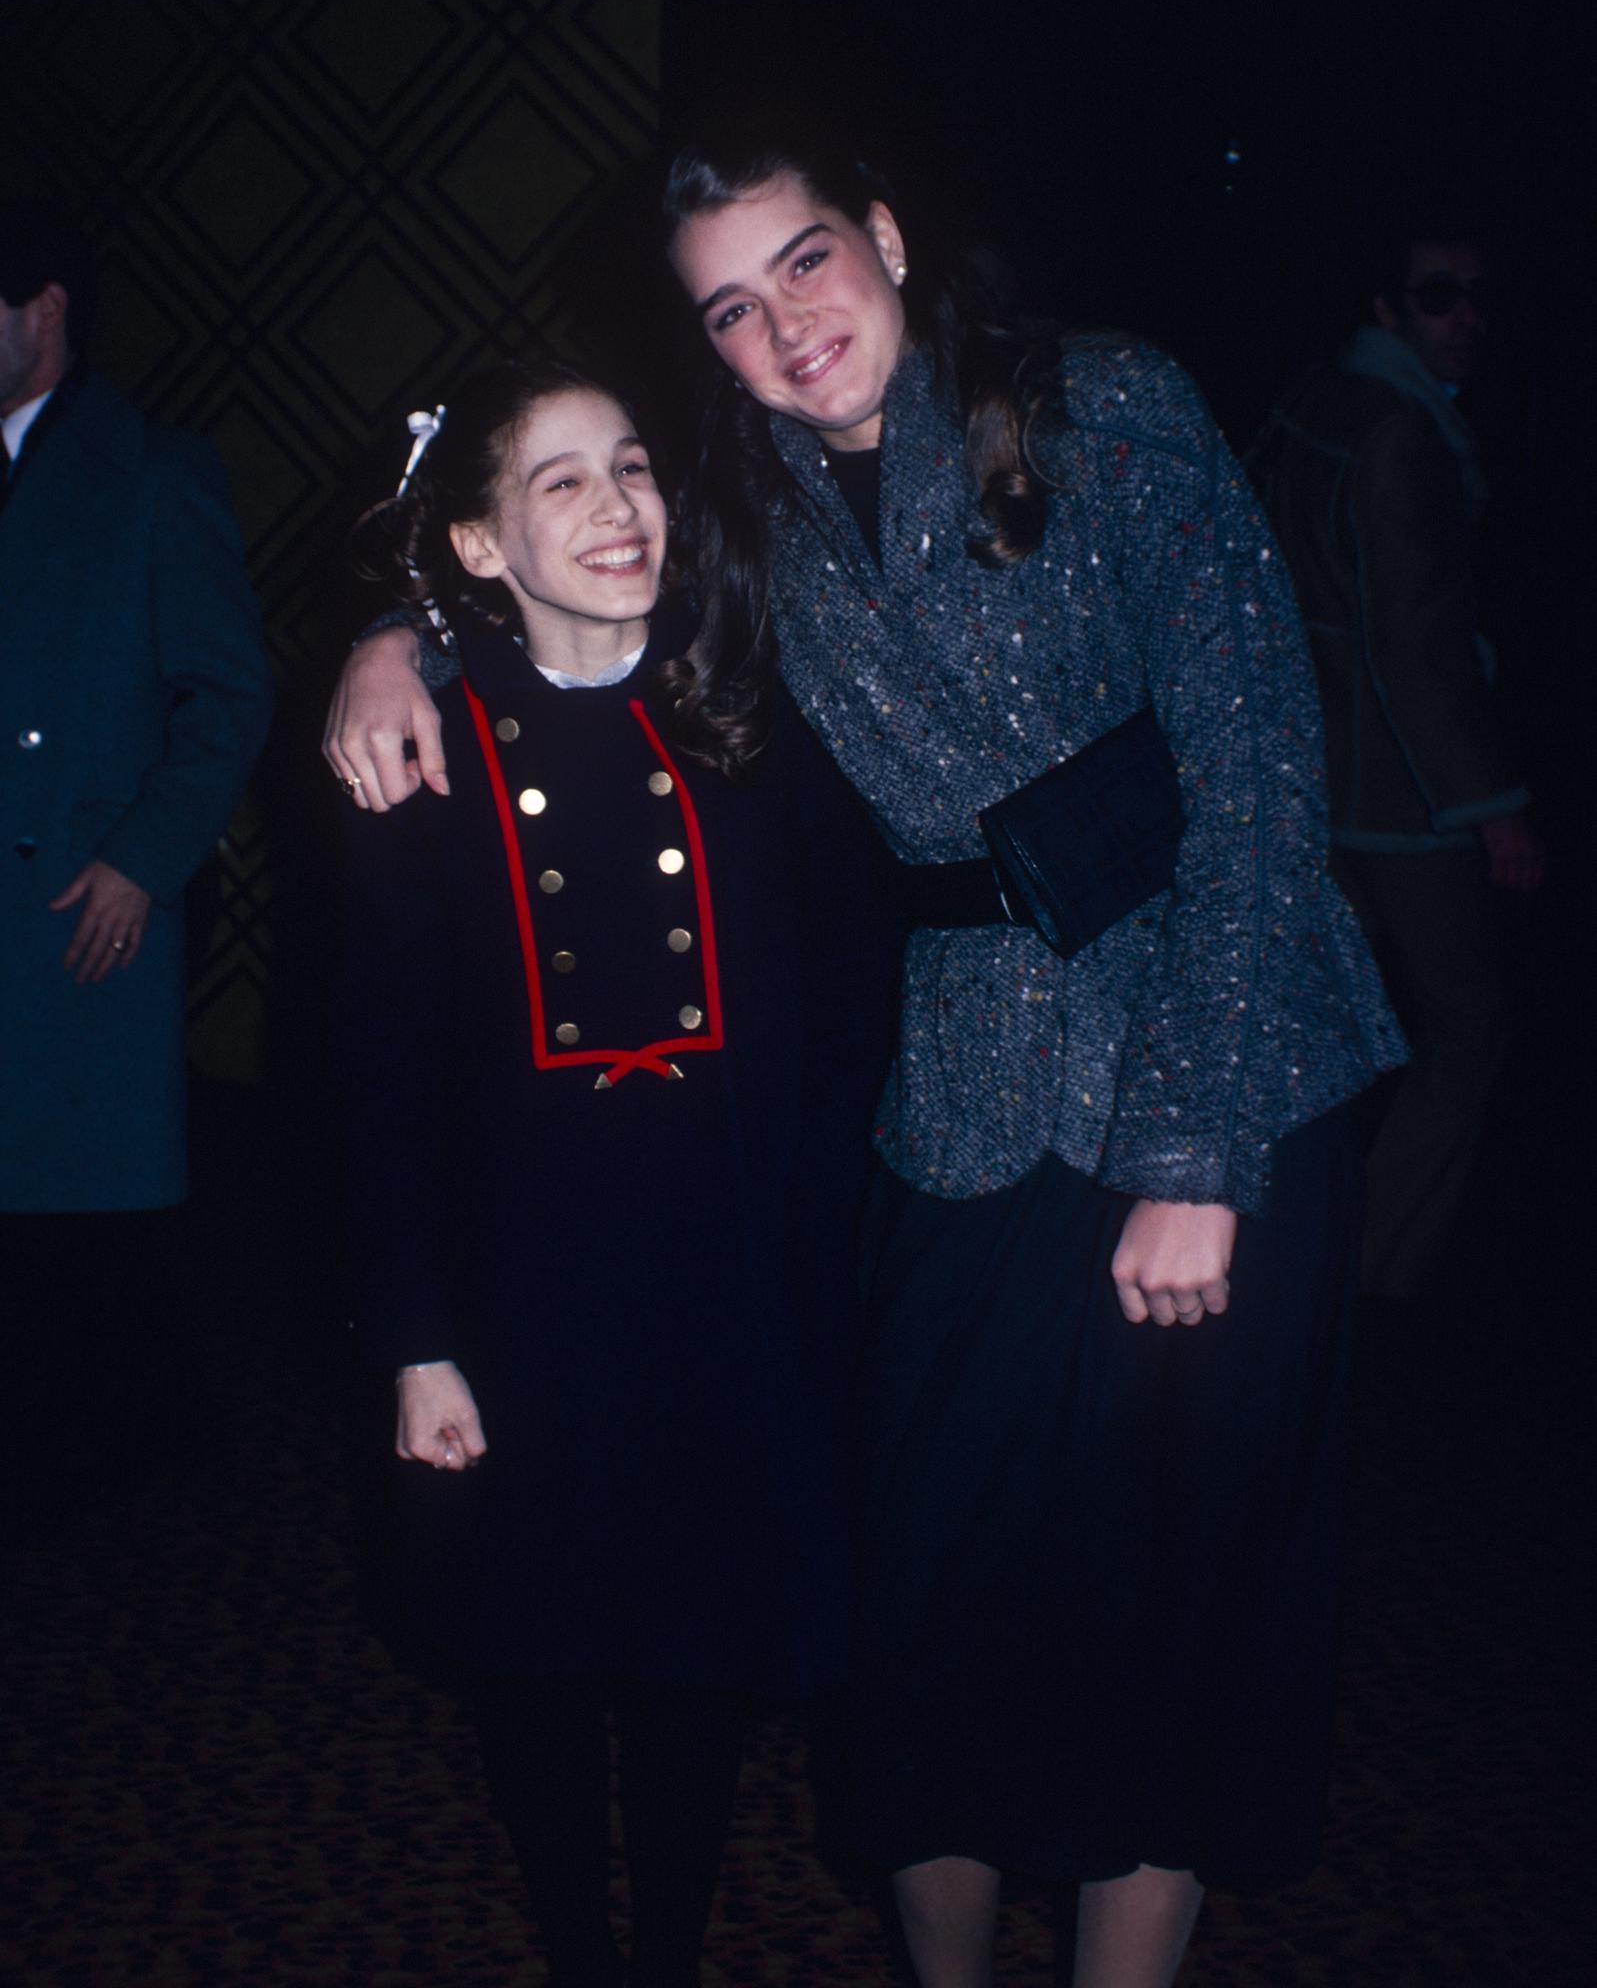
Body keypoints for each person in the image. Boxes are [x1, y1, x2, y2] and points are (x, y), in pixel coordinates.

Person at [325, 126, 1402, 1988]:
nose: (782, 326)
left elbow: (1259, 778)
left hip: (1227, 1064)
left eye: (806, 263)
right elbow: (557, 588)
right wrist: (390, 643)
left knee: (1169, 1602)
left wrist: (1195, 1156)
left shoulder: (1103, 403)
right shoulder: (741, 500)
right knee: (924, 1611)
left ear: (887, 239)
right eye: (728, 310)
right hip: (966, 1096)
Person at [335, 357, 890, 1988]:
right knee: (541, 1649)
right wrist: (413, 1339)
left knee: (694, 1649)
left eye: (630, 466)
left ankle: (664, 1956)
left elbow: (850, 1004)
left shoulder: (759, 715)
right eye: (560, 481)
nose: (615, 506)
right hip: (524, 1294)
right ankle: (584, 1950)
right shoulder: (420, 755)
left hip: (720, 1278)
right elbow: (376, 1079)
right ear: (483, 544)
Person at [0, 201, 272, 1537]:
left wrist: (142, 864)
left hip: (77, 899)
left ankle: (140, 1493)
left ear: (41, 310)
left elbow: (227, 699)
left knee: (82, 1223)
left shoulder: (157, 472)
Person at [1250, 223, 1543, 1298]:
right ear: (1384, 310)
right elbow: (1418, 646)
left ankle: (1295, 1253)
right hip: (1391, 794)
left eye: (1475, 296)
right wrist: (1491, 807)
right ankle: (1360, 1270)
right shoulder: (1397, 433)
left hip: (1300, 772)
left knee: (1330, 1035)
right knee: (1463, 1034)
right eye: (1435, 297)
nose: (1463, 318)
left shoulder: (1313, 405)